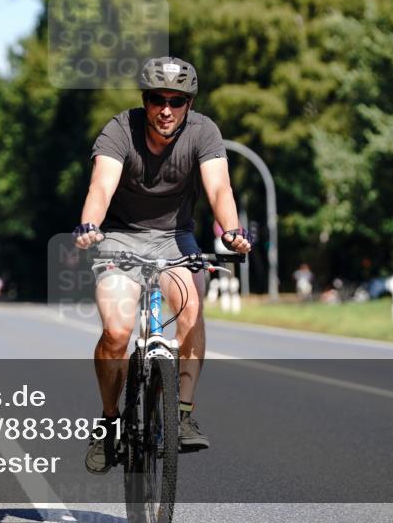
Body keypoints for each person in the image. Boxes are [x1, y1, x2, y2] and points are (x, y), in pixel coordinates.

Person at [72, 56, 252, 475]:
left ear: (189, 104)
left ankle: (183, 412)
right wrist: (89, 224)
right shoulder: (120, 130)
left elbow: (219, 186)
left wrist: (231, 230)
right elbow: (102, 183)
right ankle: (110, 420)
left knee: (190, 310)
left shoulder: (204, 132)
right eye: (157, 99)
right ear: (145, 100)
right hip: (118, 236)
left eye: (176, 100)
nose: (166, 109)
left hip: (175, 239)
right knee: (116, 332)